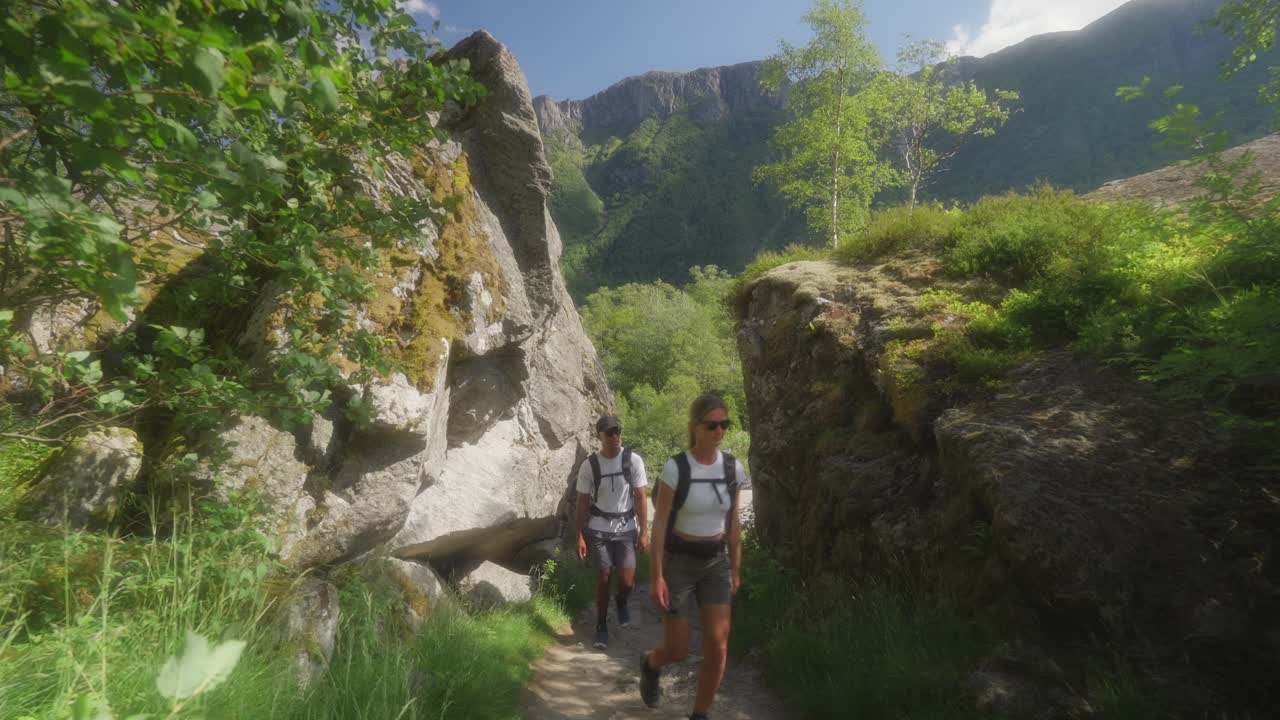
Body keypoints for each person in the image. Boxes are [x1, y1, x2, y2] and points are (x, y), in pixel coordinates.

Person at [639, 393, 746, 720]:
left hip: (716, 563)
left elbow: (734, 522)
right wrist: (657, 574)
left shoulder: (732, 468)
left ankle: (700, 714)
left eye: (724, 425)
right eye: (712, 424)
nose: (719, 431)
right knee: (679, 649)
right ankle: (651, 663)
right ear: (695, 427)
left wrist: (736, 568)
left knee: (718, 644)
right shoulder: (676, 468)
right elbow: (659, 526)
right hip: (680, 563)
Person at [575, 414, 649, 651]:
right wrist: (579, 535)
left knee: (627, 581)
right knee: (605, 575)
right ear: (600, 436)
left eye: (617, 431)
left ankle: (622, 601)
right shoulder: (590, 465)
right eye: (609, 432)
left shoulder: (633, 460)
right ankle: (601, 626)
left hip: (626, 529)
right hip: (598, 529)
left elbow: (640, 497)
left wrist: (644, 532)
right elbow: (582, 502)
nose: (615, 436)